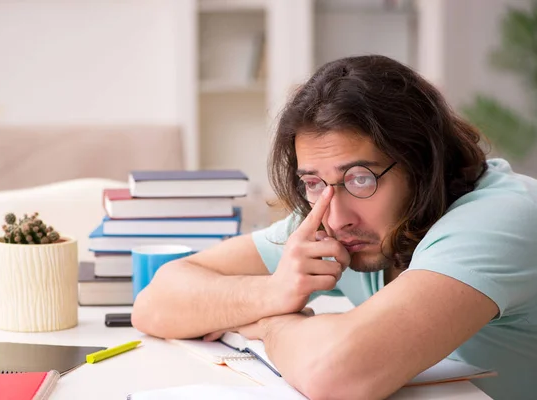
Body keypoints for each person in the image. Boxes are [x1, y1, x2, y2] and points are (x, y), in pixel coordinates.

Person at [131, 55, 537, 400]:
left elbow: (335, 372)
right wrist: (274, 291)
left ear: (424, 165)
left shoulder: (500, 219)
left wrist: (268, 322)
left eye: (361, 177)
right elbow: (154, 302)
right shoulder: (336, 210)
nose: (337, 217)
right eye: (312, 182)